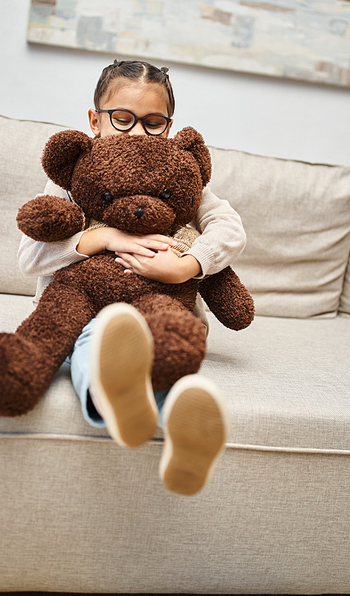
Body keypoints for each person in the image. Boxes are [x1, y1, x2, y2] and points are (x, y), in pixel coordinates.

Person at [18, 60, 246, 495]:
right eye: (122, 119)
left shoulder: (180, 171)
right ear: (94, 120)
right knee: (97, 339)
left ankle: (166, 424)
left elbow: (229, 227)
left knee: (168, 347)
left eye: (153, 123)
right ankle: (139, 413)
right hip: (84, 311)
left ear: (170, 126)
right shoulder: (72, 177)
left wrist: (187, 264)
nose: (137, 133)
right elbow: (31, 256)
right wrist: (105, 237)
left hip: (165, 311)